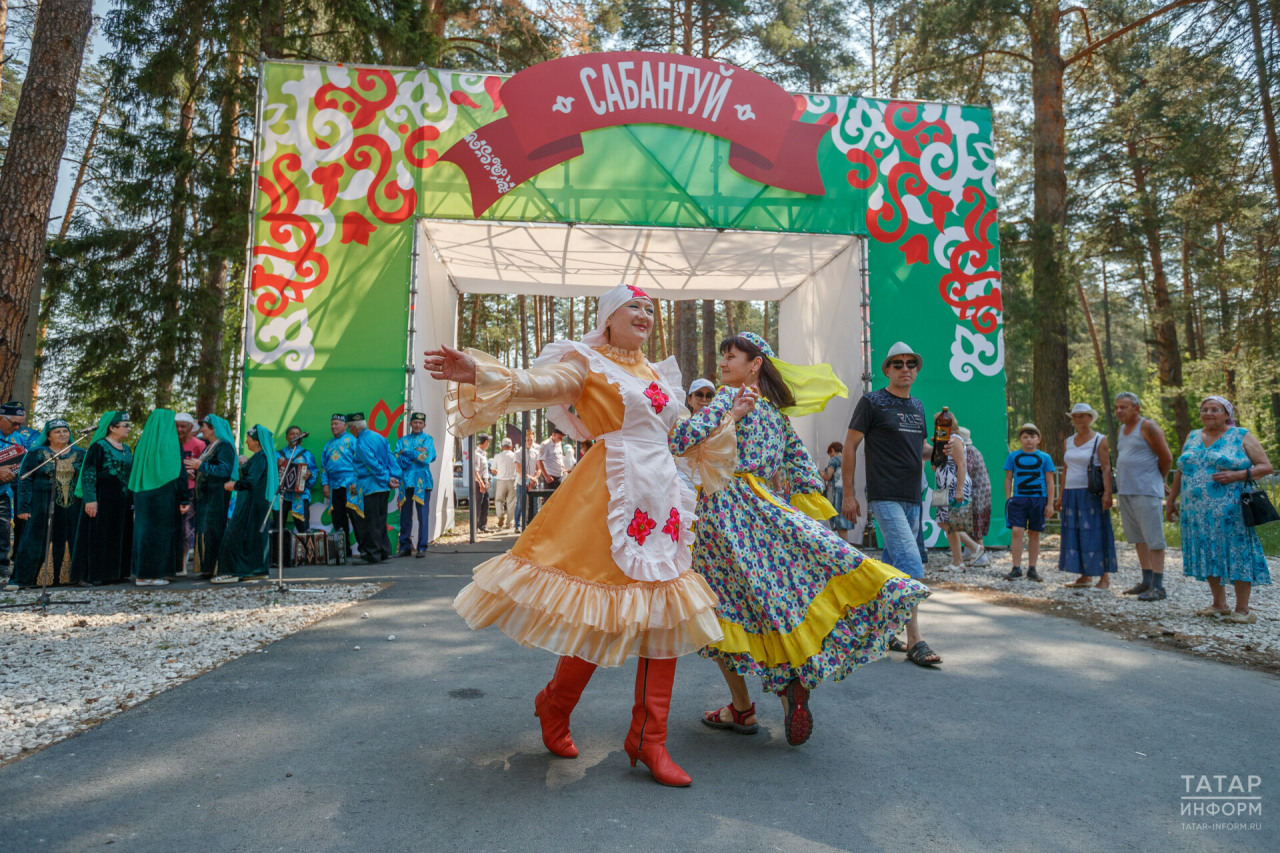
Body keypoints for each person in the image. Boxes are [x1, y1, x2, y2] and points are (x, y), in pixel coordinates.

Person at [426, 282, 726, 787]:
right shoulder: (585, 362)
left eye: (650, 308)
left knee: (662, 613)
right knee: (602, 613)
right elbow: (539, 385)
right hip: (609, 494)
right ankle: (555, 706)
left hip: (661, 496)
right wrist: (480, 372)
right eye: (634, 306)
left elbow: (680, 432)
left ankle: (649, 740)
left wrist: (725, 418)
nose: (645, 314)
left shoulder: (657, 374)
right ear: (609, 316)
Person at [675, 332, 925, 747]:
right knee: (770, 605)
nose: (723, 362)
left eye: (730, 355)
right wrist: (802, 521)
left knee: (718, 612)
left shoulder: (728, 398)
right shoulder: (776, 411)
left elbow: (682, 439)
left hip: (722, 512)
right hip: (765, 511)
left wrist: (728, 417)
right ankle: (788, 681)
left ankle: (741, 707)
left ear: (754, 364)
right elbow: (802, 469)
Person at [841, 341, 942, 667]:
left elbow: (922, 449)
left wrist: (946, 448)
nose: (905, 368)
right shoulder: (872, 402)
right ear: (887, 370)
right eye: (897, 364)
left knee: (893, 568)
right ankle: (916, 640)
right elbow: (850, 446)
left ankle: (877, 631)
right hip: (884, 497)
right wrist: (848, 494)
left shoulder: (919, 406)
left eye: (910, 363)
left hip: (913, 497)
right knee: (912, 565)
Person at [1166, 396, 1273, 623]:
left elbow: (1266, 466)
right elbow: (1182, 470)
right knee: (1208, 552)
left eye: (1215, 409)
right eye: (1204, 409)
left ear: (1227, 414)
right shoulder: (1192, 436)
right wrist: (1172, 500)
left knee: (1237, 553)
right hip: (1195, 511)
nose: (1208, 413)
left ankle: (1243, 610)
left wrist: (1237, 475)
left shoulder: (1240, 435)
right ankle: (1219, 604)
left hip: (1231, 511)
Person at [9, 420, 85, 589]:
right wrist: (23, 508)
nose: (62, 434)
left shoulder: (80, 453)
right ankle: (27, 580)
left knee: (69, 538)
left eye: (65, 431)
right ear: (48, 435)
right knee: (36, 539)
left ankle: (70, 578)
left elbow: (86, 479)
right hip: (41, 507)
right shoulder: (36, 453)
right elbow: (24, 479)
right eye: (57, 431)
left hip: (72, 508)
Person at [1113, 392, 1174, 601]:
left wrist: (1159, 479)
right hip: (1126, 490)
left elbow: (1166, 457)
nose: (1119, 411)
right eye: (1117, 407)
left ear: (1136, 408)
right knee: (1138, 538)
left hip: (1146, 490)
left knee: (1154, 538)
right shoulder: (1121, 429)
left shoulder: (1148, 426)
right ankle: (1146, 580)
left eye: (1124, 407)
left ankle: (1158, 585)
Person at [69, 412, 134, 586]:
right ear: (112, 427)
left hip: (122, 500)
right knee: (97, 535)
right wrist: (90, 499)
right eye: (125, 425)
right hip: (102, 498)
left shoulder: (127, 448)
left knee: (119, 534)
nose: (129, 428)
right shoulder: (99, 446)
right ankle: (89, 575)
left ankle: (114, 573)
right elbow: (89, 473)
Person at [1057, 403, 1117, 589]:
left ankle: (1104, 577)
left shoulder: (1100, 439)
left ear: (1091, 418)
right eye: (1076, 416)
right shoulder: (1068, 441)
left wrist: (1107, 493)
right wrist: (1060, 496)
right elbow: (1065, 470)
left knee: (1095, 532)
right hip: (1071, 493)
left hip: (1091, 492)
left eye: (1083, 416)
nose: (1079, 419)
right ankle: (1085, 575)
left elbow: (1106, 468)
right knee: (1075, 533)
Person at [129, 409, 190, 587]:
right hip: (165, 495)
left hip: (142, 494)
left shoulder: (142, 443)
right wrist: (184, 499)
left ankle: (141, 574)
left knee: (143, 532)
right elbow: (180, 474)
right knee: (161, 535)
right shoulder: (171, 443)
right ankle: (154, 575)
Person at [213, 425, 276, 583]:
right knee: (253, 537)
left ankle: (231, 573)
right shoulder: (260, 457)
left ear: (257, 441)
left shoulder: (260, 457)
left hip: (250, 503)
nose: (246, 441)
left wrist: (234, 485)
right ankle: (256, 570)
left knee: (234, 535)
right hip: (254, 502)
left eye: (248, 438)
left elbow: (251, 481)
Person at [1002, 424, 1056, 581]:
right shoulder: (1013, 456)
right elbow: (1008, 478)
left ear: (1038, 439)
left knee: (1034, 533)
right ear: (1020, 439)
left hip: (1038, 499)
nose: (1029, 440)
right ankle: (1016, 568)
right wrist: (1008, 499)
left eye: (1032, 437)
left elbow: (1050, 481)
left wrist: (1050, 503)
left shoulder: (1045, 457)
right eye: (1025, 437)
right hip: (1019, 499)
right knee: (1017, 531)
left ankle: (1032, 568)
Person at [932, 415, 984, 572]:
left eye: (941, 422)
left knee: (950, 522)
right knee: (944, 522)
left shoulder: (954, 439)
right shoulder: (943, 440)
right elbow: (938, 466)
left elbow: (962, 465)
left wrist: (960, 489)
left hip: (954, 486)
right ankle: (967, 553)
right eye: (937, 422)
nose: (938, 424)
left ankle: (963, 557)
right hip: (944, 485)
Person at [188, 415, 237, 578]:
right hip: (205, 496)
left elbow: (225, 470)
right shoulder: (210, 446)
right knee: (205, 530)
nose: (201, 429)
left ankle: (215, 567)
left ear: (214, 429)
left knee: (213, 529)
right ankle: (207, 567)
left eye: (204, 427)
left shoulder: (224, 446)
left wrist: (200, 465)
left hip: (216, 496)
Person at [348, 413, 400, 564]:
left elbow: (372, 465)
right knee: (380, 519)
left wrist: (385, 478)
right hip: (383, 486)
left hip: (371, 485)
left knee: (371, 521)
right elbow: (390, 457)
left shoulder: (361, 442)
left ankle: (373, 554)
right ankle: (384, 551)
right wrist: (392, 476)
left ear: (353, 428)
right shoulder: (379, 437)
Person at [0, 401, 34, 581]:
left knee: (3, 531)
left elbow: (24, 463)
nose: (17, 427)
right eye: (14, 423)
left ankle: (2, 567)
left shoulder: (17, 438)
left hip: (4, 492)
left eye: (20, 424)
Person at [395, 412, 437, 556]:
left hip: (422, 481)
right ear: (410, 424)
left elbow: (426, 459)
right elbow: (398, 461)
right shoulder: (402, 440)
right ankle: (405, 546)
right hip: (405, 480)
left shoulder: (428, 440)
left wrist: (406, 452)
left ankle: (422, 547)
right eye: (415, 422)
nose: (418, 425)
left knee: (422, 515)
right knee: (405, 515)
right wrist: (415, 453)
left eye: (420, 423)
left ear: (424, 425)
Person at [174, 413, 206, 574]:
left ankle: (182, 565)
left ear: (190, 428)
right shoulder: (170, 444)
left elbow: (205, 468)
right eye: (177, 426)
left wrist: (196, 473)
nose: (179, 429)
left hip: (191, 490)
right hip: (172, 490)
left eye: (183, 426)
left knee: (187, 528)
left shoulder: (199, 445)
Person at [320, 414, 357, 552]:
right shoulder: (328, 444)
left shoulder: (352, 440)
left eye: (336, 423)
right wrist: (325, 484)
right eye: (332, 424)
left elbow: (359, 463)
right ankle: (343, 550)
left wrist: (354, 482)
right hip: (334, 485)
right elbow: (323, 466)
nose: (333, 426)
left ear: (344, 425)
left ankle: (365, 549)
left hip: (349, 484)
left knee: (355, 517)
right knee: (338, 518)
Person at [958, 427, 992, 565]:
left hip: (977, 490)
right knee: (970, 521)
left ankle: (980, 555)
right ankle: (968, 551)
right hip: (978, 489)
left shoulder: (968, 451)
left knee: (975, 520)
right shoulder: (972, 449)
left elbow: (966, 469)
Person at [277, 426, 317, 534]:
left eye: (297, 434)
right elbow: (270, 474)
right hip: (282, 495)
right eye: (292, 434)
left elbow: (314, 471)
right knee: (278, 528)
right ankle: (280, 550)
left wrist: (310, 475)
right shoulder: (278, 455)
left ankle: (304, 550)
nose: (295, 436)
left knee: (303, 529)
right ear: (286, 438)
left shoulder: (306, 454)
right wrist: (276, 466)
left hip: (300, 495)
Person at [820, 442, 855, 542]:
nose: (830, 456)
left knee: (838, 521)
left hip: (836, 494)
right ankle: (846, 544)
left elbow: (828, 476)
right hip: (848, 492)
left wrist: (821, 473)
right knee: (845, 521)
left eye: (829, 453)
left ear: (832, 450)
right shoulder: (848, 459)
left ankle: (845, 548)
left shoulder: (834, 460)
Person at [492, 437, 517, 529]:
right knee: (511, 503)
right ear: (511, 446)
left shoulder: (497, 456)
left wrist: (499, 472)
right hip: (512, 481)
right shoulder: (515, 455)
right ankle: (509, 523)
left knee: (499, 500)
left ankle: (500, 514)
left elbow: (493, 469)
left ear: (502, 446)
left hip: (501, 481)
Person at [514, 429, 536, 532]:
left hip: (533, 482)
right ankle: (517, 525)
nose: (529, 442)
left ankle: (533, 525)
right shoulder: (518, 453)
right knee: (520, 504)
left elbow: (539, 467)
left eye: (531, 439)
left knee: (534, 505)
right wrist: (528, 478)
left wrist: (534, 478)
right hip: (521, 482)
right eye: (527, 439)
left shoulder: (535, 452)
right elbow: (518, 469)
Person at [473, 434, 492, 532]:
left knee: (485, 504)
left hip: (484, 481)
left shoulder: (484, 454)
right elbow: (475, 470)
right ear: (485, 442)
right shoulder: (476, 454)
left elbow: (484, 469)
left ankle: (482, 525)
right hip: (478, 482)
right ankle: (475, 526)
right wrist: (480, 483)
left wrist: (486, 481)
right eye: (488, 442)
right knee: (478, 504)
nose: (488, 444)